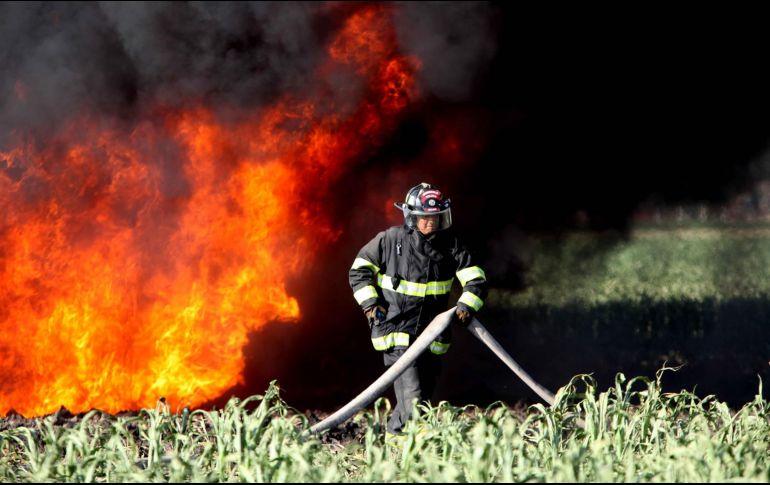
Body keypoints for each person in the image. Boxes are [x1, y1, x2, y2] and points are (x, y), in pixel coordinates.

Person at [348, 182, 487, 434]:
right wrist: (371, 304)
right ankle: (401, 457)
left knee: (420, 405)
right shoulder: (390, 240)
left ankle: (399, 449)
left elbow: (475, 279)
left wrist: (467, 304)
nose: (430, 223)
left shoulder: (451, 245)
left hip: (432, 339)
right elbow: (359, 271)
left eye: (435, 217)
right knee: (412, 400)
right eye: (424, 217)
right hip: (397, 334)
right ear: (411, 216)